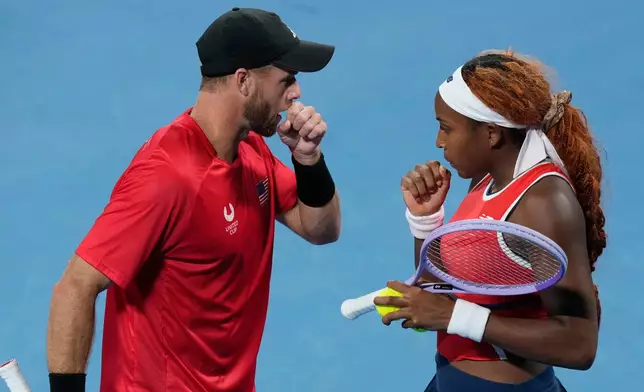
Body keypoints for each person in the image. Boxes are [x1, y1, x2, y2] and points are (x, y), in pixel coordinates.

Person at [46, 7, 341, 392]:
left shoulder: (251, 150)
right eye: (286, 79)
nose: (296, 92)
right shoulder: (165, 175)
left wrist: (308, 160)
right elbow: (75, 286)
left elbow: (321, 229)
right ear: (244, 81)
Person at [374, 50, 605, 391]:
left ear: (492, 133)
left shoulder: (543, 203)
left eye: (446, 129)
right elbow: (445, 287)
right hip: (451, 378)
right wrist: (426, 220)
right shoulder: (489, 178)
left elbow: (579, 343)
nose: (439, 142)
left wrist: (454, 317)